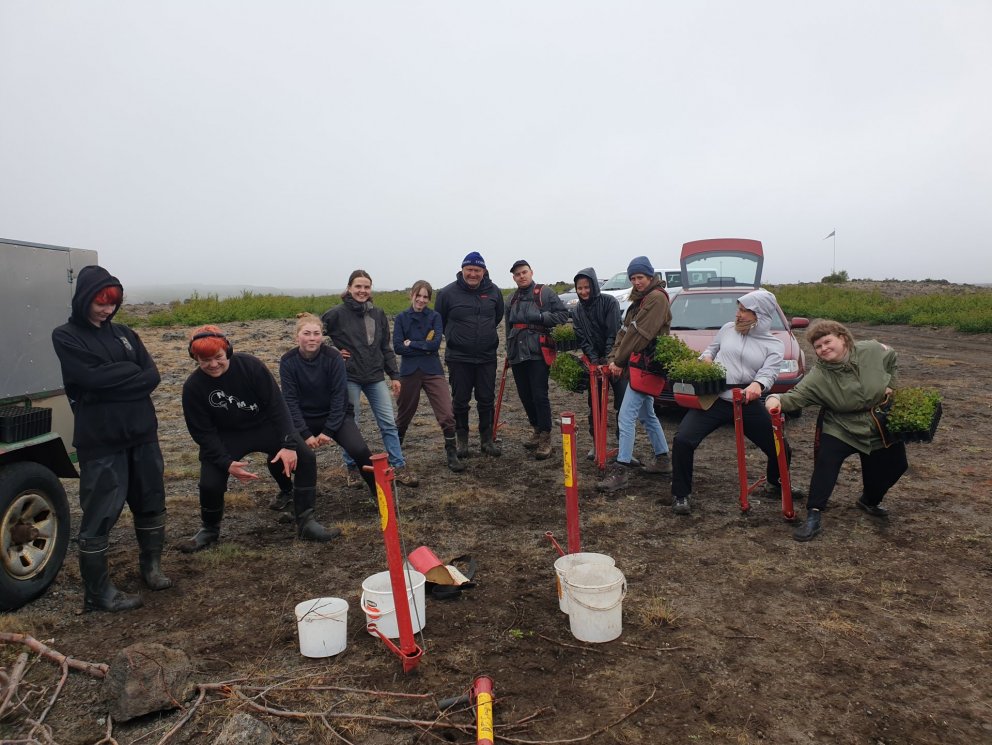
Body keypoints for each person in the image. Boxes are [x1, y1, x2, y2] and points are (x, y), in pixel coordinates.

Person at [51, 265, 170, 612]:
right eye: (99, 302)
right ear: (84, 299)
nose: (106, 309)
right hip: (101, 439)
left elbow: (152, 375)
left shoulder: (125, 333)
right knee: (101, 512)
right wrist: (126, 374)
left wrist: (115, 379)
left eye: (112, 303)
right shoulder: (66, 335)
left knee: (150, 498)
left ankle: (151, 567)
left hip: (142, 433)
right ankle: (98, 591)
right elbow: (88, 379)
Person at [180, 325, 340, 551]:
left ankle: (306, 522)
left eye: (218, 357)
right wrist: (225, 463)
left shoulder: (251, 366)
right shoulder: (193, 387)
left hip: (264, 426)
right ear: (194, 358)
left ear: (229, 352)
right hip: (228, 436)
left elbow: (277, 405)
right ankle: (209, 530)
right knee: (210, 482)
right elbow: (202, 432)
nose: (213, 364)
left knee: (305, 457)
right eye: (205, 360)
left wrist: (288, 444)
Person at [766, 320, 907, 542]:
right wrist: (775, 399)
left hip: (877, 421)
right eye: (818, 346)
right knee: (826, 464)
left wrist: (892, 385)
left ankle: (869, 500)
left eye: (827, 342)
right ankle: (813, 514)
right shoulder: (819, 375)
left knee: (897, 465)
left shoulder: (870, 349)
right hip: (840, 426)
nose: (823, 348)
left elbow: (891, 356)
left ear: (843, 338)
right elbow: (796, 396)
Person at [669, 289, 794, 515]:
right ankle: (680, 494)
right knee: (683, 440)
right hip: (715, 398)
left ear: (761, 315)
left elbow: (769, 373)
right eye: (739, 309)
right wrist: (705, 360)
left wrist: (757, 386)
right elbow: (711, 350)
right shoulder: (727, 329)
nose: (738, 314)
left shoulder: (773, 345)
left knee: (780, 447)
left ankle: (775, 482)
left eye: (745, 311)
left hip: (746, 401)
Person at [322, 270, 418, 488]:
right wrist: (332, 350)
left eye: (366, 287)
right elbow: (316, 335)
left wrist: (394, 375)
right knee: (350, 426)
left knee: (388, 423)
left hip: (375, 376)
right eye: (358, 287)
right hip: (349, 377)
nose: (362, 291)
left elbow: (385, 346)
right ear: (349, 288)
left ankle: (398, 465)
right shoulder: (335, 314)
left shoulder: (378, 313)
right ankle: (352, 468)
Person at [280, 313, 379, 503]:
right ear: (297, 336)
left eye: (316, 333)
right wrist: (305, 433)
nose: (311, 338)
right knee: (278, 454)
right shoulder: (288, 361)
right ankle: (286, 492)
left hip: (336, 416)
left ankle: (379, 492)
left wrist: (328, 430)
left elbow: (339, 396)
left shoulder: (333, 356)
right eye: (306, 333)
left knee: (360, 450)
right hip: (304, 418)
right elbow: (290, 401)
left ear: (322, 336)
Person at [597, 256, 673, 492]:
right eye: (633, 278)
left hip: (646, 366)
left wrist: (618, 361)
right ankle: (663, 459)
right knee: (646, 414)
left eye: (640, 277)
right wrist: (614, 358)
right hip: (638, 365)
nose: (636, 282)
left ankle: (621, 471)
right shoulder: (640, 300)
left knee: (625, 416)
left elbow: (641, 334)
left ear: (650, 276)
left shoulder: (657, 299)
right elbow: (624, 331)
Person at [435, 251, 505, 458]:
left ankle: (487, 440)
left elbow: (497, 316)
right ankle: (462, 442)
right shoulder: (447, 293)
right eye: (469, 270)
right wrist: (457, 338)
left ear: (483, 271)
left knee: (486, 399)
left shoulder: (494, 292)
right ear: (462, 270)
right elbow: (440, 320)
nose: (473, 274)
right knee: (460, 401)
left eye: (477, 270)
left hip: (486, 357)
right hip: (458, 357)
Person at [392, 282, 466, 472]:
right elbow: (398, 347)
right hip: (409, 371)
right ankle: (395, 454)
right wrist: (421, 344)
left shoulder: (434, 317)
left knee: (447, 413)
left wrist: (413, 344)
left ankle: (451, 454)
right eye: (419, 295)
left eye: (426, 297)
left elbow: (434, 345)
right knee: (404, 415)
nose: (421, 300)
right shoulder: (401, 318)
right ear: (412, 294)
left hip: (433, 370)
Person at [505, 260, 570, 460]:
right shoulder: (510, 299)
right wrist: (509, 352)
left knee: (539, 394)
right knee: (524, 395)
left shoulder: (545, 293)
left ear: (531, 272)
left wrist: (541, 318)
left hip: (538, 352)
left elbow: (562, 316)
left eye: (524, 272)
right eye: (517, 274)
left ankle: (545, 436)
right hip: (517, 352)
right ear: (514, 278)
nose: (521, 276)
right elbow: (508, 327)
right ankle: (536, 429)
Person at [571, 267, 625, 459]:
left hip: (616, 361)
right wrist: (594, 361)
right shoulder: (577, 311)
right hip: (595, 365)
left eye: (587, 287)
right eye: (580, 288)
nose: (584, 292)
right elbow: (583, 339)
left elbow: (614, 332)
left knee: (622, 404)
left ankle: (624, 449)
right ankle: (596, 445)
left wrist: (608, 359)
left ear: (594, 286)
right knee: (595, 406)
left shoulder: (609, 302)